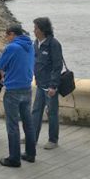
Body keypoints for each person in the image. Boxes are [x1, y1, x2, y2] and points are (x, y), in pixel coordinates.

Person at [0, 24, 36, 167]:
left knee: (12, 125)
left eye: (7, 36)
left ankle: (14, 158)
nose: (7, 39)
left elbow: (0, 64)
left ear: (12, 34)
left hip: (13, 89)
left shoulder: (12, 47)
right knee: (28, 123)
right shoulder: (30, 45)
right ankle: (31, 154)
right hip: (27, 88)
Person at [32, 17, 63, 149]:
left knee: (52, 113)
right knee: (36, 111)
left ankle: (53, 140)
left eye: (36, 28)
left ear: (43, 30)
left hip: (50, 86)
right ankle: (32, 137)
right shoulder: (36, 43)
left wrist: (53, 85)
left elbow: (57, 66)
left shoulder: (53, 44)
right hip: (40, 84)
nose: (34, 30)